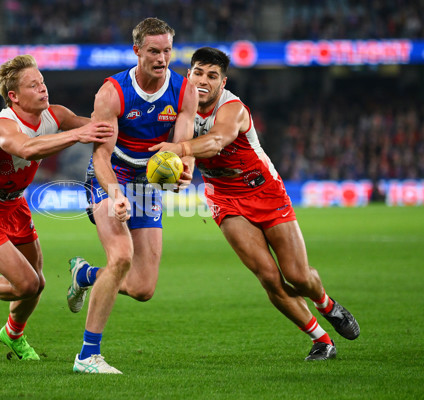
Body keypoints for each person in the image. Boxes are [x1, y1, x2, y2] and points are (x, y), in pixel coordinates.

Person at [149, 47, 360, 361]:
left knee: (298, 275)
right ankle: (321, 340)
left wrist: (177, 149)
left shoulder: (231, 107)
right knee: (268, 277)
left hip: (265, 192)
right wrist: (183, 170)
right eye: (198, 73)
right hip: (224, 198)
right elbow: (188, 148)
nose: (204, 81)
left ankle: (326, 304)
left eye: (212, 75)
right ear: (188, 74)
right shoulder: (177, 105)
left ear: (223, 82)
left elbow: (216, 141)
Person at [0, 54, 113, 361]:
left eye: (42, 81)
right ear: (13, 96)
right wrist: (77, 135)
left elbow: (101, 129)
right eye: (33, 85)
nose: (43, 88)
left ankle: (13, 334)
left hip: (15, 206)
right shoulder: (3, 126)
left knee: (38, 282)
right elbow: (27, 149)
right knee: (27, 283)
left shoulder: (54, 116)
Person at [66, 17, 198, 374]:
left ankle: (85, 275)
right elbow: (101, 157)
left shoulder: (185, 91)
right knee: (121, 256)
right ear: (137, 50)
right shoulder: (112, 93)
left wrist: (186, 168)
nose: (162, 58)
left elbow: (185, 146)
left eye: (167, 50)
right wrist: (116, 195)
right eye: (153, 51)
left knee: (142, 288)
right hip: (112, 177)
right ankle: (87, 356)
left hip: (149, 183)